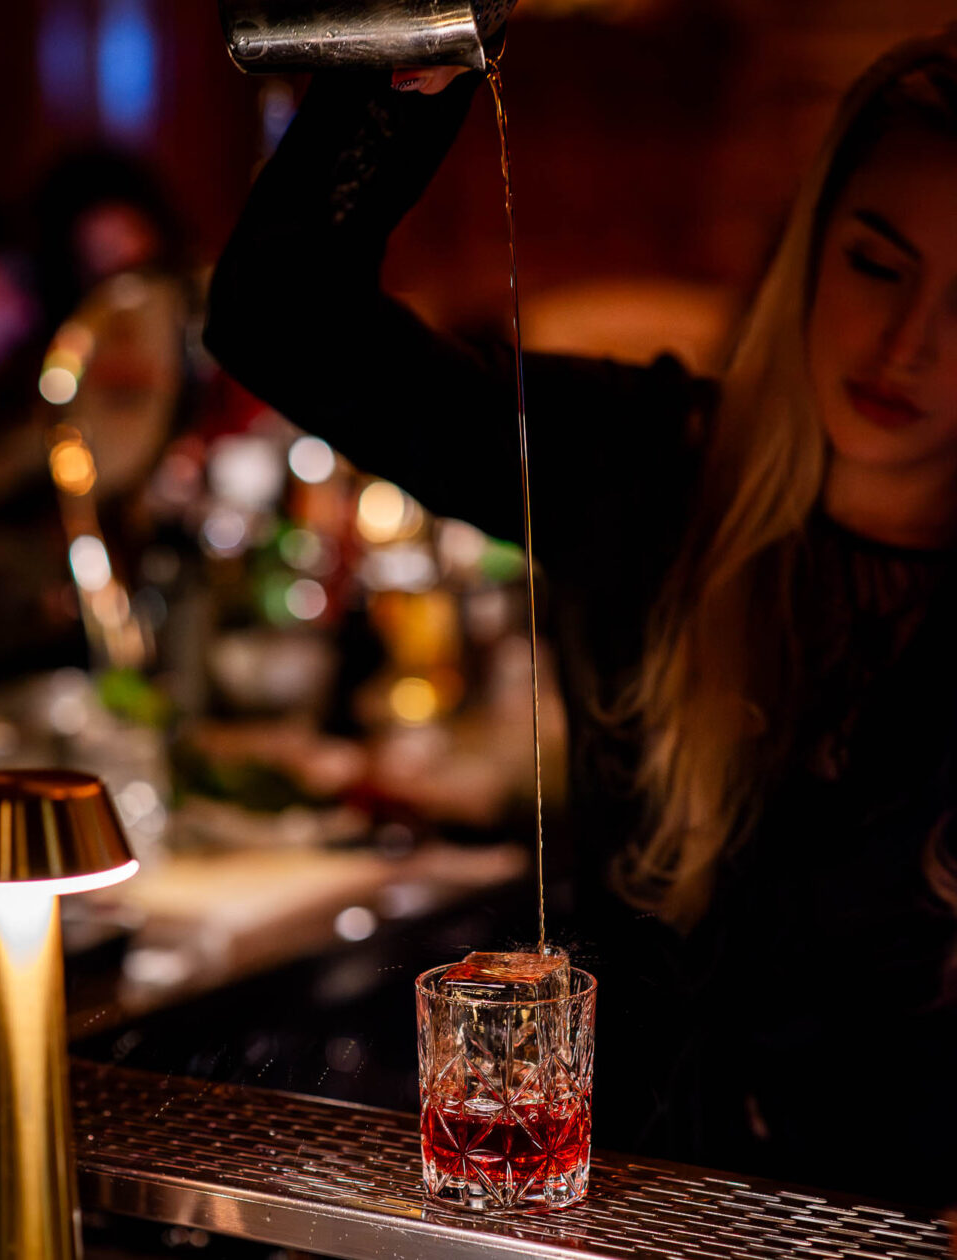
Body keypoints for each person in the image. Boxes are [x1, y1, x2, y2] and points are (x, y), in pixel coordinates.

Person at [204, 27, 957, 1207]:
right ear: (811, 247)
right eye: (876, 264)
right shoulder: (640, 466)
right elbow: (279, 316)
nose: (908, 344)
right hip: (612, 1218)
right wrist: (416, 40)